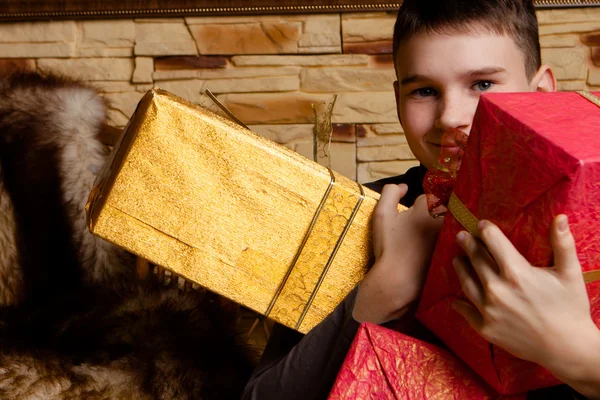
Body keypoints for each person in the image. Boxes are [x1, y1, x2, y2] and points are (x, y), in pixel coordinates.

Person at [242, 0, 600, 398]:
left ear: (542, 94)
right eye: (425, 91)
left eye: (482, 84)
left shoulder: (590, 218)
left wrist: (577, 353)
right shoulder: (358, 215)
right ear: (398, 101)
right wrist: (382, 293)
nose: (450, 116)